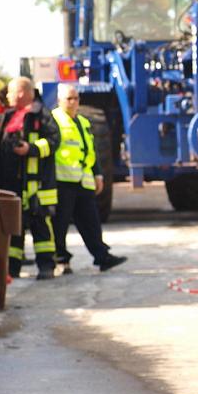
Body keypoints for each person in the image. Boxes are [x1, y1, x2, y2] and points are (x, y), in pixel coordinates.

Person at [0, 77, 59, 280]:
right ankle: (13, 268)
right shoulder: (8, 116)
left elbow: (54, 141)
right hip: (11, 183)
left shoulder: (40, 114)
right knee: (13, 226)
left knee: (40, 225)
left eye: (9, 92)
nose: (6, 96)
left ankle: (46, 266)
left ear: (21, 92)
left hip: (34, 183)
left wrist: (30, 149)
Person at [51, 84, 126, 274]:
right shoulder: (53, 121)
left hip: (83, 181)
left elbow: (90, 151)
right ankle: (61, 260)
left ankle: (102, 257)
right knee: (60, 224)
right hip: (63, 181)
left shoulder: (83, 122)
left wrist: (98, 174)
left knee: (91, 222)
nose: (73, 102)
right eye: (69, 99)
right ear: (59, 101)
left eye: (76, 98)